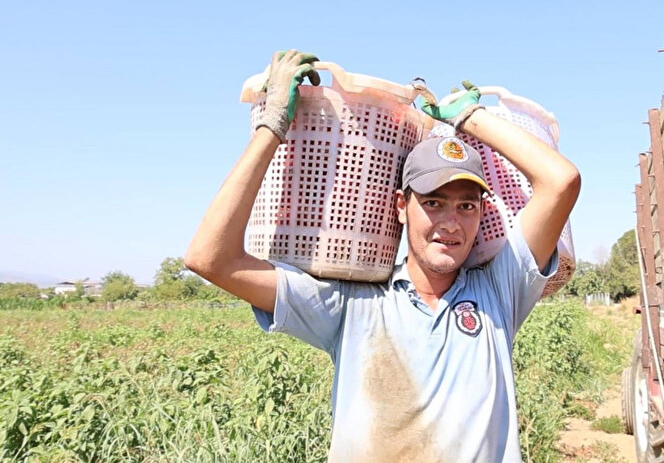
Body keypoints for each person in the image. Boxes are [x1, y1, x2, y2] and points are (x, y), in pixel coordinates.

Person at [185, 50, 580, 462]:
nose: (451, 223)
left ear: (483, 213)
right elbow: (209, 259)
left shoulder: (500, 292)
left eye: (467, 206)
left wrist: (468, 117)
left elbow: (560, 181)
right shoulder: (352, 305)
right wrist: (271, 127)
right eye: (433, 202)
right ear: (399, 206)